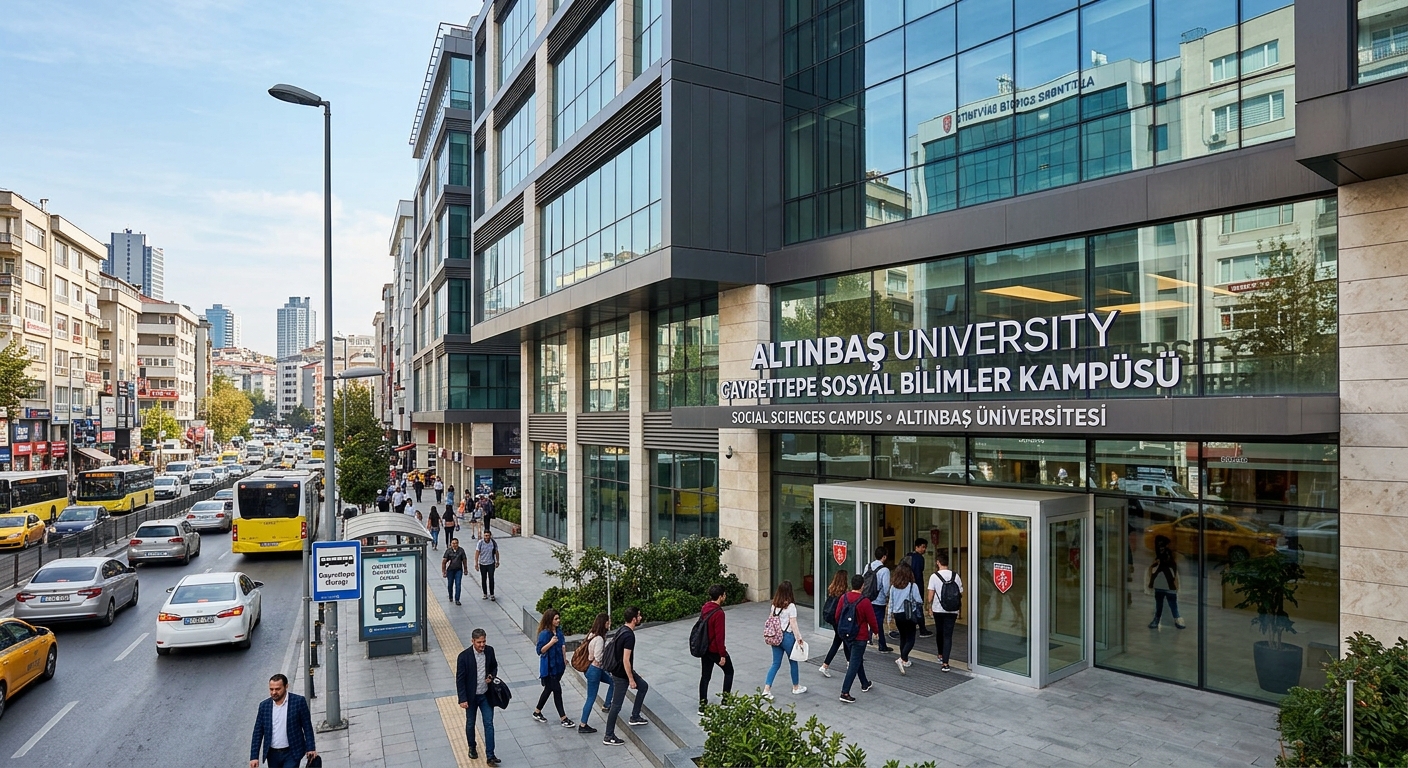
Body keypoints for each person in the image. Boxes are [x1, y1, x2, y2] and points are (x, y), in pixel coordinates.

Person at [603, 606, 649, 746]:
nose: (641, 618)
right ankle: (608, 735)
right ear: (634, 619)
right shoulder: (629, 635)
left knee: (643, 687)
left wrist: (633, 674)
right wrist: (630, 678)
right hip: (621, 674)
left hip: (622, 671)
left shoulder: (622, 630)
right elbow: (625, 659)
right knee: (616, 705)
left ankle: (635, 716)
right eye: (639, 616)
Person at [248, 673, 317, 768]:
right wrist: (254, 757)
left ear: (286, 686)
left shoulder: (298, 702)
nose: (274, 692)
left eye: (277, 689)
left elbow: (307, 727)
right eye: (271, 689)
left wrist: (311, 748)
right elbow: (258, 732)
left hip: (292, 752)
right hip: (272, 755)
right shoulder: (264, 706)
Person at [456, 628, 501, 765]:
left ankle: (490, 755)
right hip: (471, 697)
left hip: (486, 695)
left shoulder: (490, 651)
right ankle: (472, 746)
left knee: (489, 724)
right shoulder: (464, 657)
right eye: (479, 642)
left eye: (484, 641)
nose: (482, 645)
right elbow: (460, 679)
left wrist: (491, 676)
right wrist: (462, 699)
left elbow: (494, 666)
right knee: (470, 723)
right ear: (472, 641)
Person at [836, 574, 879, 704]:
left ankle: (865, 683)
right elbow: (872, 619)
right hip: (860, 636)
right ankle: (845, 692)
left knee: (857, 658)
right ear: (862, 586)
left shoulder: (844, 598)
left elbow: (837, 615)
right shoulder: (864, 601)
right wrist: (876, 632)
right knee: (854, 663)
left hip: (846, 635)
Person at [762, 580, 807, 699]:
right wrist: (799, 638)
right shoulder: (791, 606)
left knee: (775, 663)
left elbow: (771, 620)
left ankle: (767, 689)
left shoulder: (774, 605)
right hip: (787, 637)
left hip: (776, 637)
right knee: (793, 661)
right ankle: (796, 687)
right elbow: (793, 624)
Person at [533, 609, 575, 728]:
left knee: (548, 689)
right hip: (549, 668)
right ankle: (563, 718)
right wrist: (551, 642)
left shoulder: (559, 631)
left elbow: (562, 645)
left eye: (558, 618)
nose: (558, 620)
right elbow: (540, 650)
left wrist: (564, 658)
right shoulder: (545, 634)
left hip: (559, 666)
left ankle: (537, 711)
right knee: (557, 691)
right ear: (550, 620)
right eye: (555, 619)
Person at [697, 584, 733, 713]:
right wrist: (722, 655)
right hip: (714, 649)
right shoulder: (719, 613)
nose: (725, 596)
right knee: (729, 671)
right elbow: (719, 636)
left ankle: (702, 705)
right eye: (724, 594)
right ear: (720, 596)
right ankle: (726, 700)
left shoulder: (705, 607)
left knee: (705, 676)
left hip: (704, 648)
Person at [577, 612, 614, 734]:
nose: (609, 624)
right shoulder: (598, 639)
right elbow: (598, 658)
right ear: (604, 623)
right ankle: (583, 724)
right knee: (591, 698)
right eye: (608, 622)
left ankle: (607, 704)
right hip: (595, 670)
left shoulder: (592, 635)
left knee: (612, 681)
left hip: (591, 669)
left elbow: (591, 656)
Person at [927, 551, 963, 672]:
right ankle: (945, 663)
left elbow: (930, 595)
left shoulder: (934, 576)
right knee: (948, 635)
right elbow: (960, 593)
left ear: (938, 562)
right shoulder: (955, 576)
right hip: (952, 610)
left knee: (939, 632)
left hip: (938, 609)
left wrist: (929, 606)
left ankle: (940, 655)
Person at [888, 562, 922, 675]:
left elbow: (891, 603)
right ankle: (902, 658)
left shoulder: (893, 587)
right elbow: (918, 600)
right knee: (911, 638)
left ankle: (905, 660)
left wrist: (889, 617)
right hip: (908, 615)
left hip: (898, 615)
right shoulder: (912, 586)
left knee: (903, 636)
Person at [816, 570, 851, 678]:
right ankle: (826, 665)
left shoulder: (832, 590)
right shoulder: (844, 594)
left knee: (842, 641)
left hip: (834, 621)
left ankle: (848, 663)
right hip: (840, 621)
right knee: (840, 642)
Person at [1148, 535, 1185, 630]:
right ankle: (1159, 618)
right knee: (1161, 603)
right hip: (1161, 582)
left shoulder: (1171, 555)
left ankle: (1176, 618)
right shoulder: (1158, 557)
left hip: (1168, 583)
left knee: (1171, 603)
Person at [863, 547, 893, 653]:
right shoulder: (885, 570)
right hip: (879, 600)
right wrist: (888, 597)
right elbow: (886, 588)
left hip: (867, 598)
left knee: (869, 618)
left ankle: (868, 638)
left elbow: (864, 580)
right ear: (884, 557)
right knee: (879, 622)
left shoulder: (868, 566)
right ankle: (882, 645)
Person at [904, 539, 933, 638]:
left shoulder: (908, 556)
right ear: (917, 547)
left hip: (906, 585)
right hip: (916, 585)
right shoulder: (919, 558)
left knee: (909, 607)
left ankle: (909, 627)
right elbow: (919, 573)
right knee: (918, 607)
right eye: (923, 547)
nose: (924, 549)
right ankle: (922, 629)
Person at [475, 528, 499, 601]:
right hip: (482, 563)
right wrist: (476, 563)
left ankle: (492, 594)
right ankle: (485, 593)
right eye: (485, 536)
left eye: (488, 535)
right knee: (483, 578)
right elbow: (477, 553)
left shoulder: (493, 543)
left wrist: (497, 561)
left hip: (491, 563)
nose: (487, 537)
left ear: (490, 536)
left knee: (491, 578)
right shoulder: (480, 543)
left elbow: (496, 552)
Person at [442, 537, 468, 605]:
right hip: (450, 570)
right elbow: (444, 561)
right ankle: (450, 596)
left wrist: (465, 569)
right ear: (451, 544)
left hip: (458, 570)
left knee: (458, 584)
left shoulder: (461, 550)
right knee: (450, 584)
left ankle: (457, 599)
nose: (455, 545)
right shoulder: (448, 551)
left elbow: (464, 560)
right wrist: (444, 571)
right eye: (453, 543)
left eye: (456, 543)